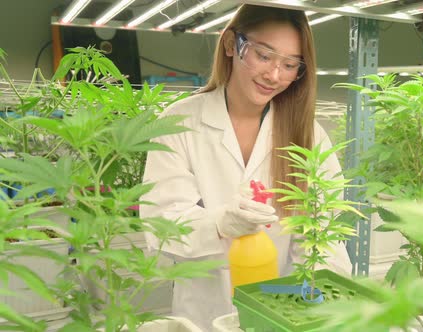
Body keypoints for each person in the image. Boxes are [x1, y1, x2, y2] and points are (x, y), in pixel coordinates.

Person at [140, 4, 352, 330]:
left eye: (290, 64)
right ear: (230, 45)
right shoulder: (179, 121)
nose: (274, 75)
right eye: (263, 56)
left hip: (283, 314)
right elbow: (160, 224)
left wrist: (322, 299)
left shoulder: (309, 134)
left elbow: (324, 230)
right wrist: (220, 224)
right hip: (204, 314)